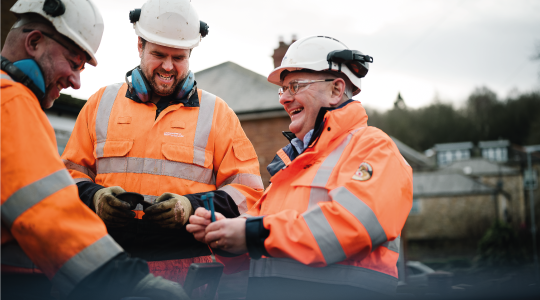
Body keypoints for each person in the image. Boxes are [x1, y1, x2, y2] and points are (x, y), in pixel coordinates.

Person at [188, 35, 413, 300]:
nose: (284, 99)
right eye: (283, 89)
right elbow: (255, 251)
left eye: (295, 86)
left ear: (336, 90)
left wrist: (251, 234)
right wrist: (222, 234)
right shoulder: (291, 166)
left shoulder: (375, 148)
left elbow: (352, 225)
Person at [61, 0, 263, 285]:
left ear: (190, 54)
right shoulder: (100, 104)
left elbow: (248, 193)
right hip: (107, 262)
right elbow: (67, 177)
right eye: (158, 54)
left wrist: (190, 207)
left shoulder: (217, 114)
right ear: (140, 46)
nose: (168, 66)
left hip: (189, 269)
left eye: (178, 57)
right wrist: (95, 198)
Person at [0, 0, 190, 299]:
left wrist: (191, 205)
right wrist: (129, 280)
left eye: (178, 56)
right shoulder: (11, 102)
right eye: (74, 63)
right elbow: (49, 211)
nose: (76, 82)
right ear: (34, 42)